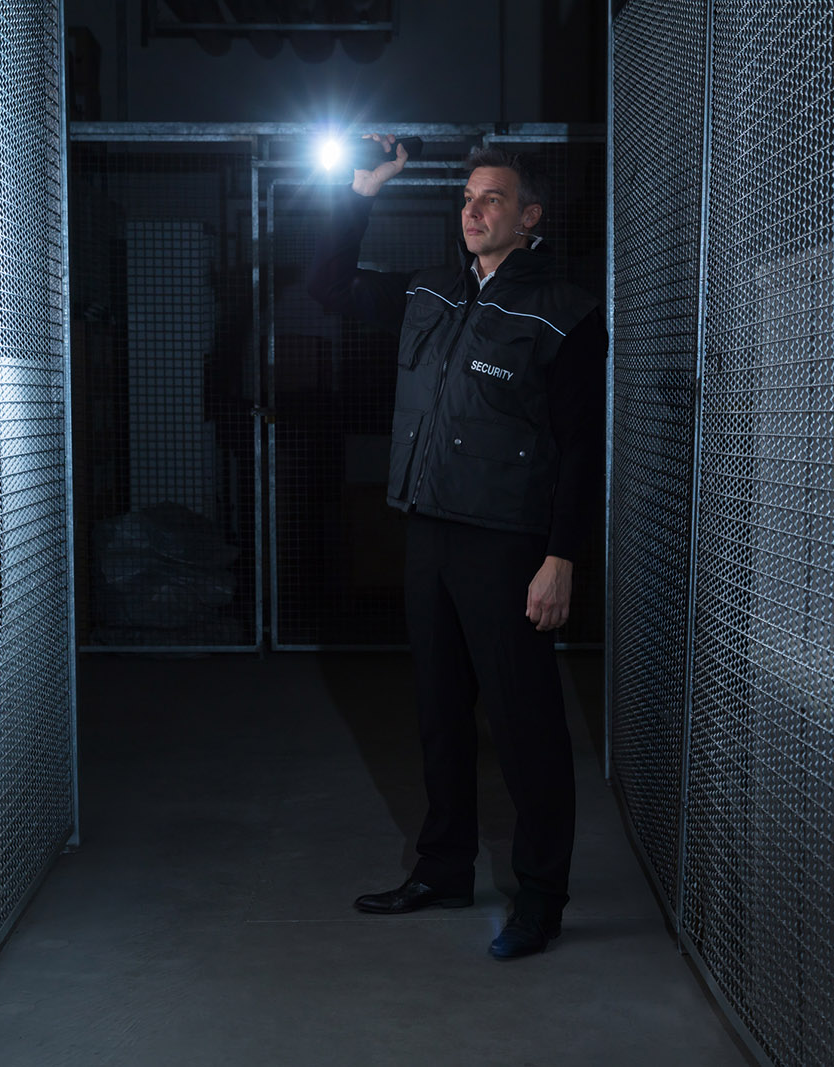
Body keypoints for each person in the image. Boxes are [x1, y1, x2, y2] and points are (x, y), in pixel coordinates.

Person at [307, 135, 606, 960]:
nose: (472, 210)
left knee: (525, 725)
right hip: (430, 532)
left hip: (509, 546)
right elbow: (328, 283)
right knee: (438, 713)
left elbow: (582, 448)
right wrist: (359, 193)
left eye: (494, 199)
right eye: (467, 197)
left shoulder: (565, 313)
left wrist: (561, 557)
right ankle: (444, 868)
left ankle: (541, 895)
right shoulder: (429, 292)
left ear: (530, 216)